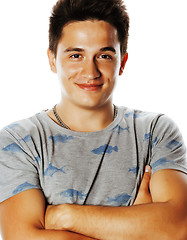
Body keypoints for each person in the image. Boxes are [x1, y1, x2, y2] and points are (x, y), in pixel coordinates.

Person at [0, 0, 187, 239]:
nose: (90, 72)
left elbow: (179, 227)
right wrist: (140, 230)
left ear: (122, 63)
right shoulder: (20, 140)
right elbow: (22, 237)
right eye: (76, 55)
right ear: (52, 59)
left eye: (105, 56)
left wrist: (64, 216)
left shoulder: (156, 131)